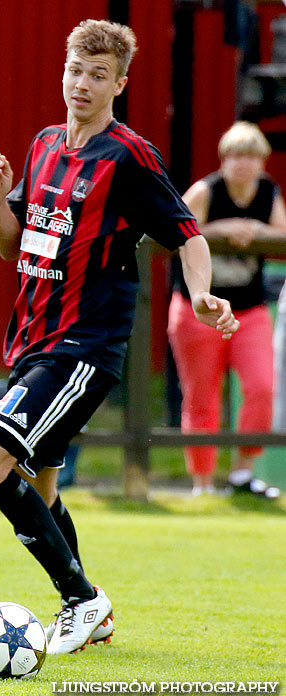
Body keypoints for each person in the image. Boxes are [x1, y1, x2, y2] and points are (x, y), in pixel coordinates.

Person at [0, 19, 239, 656]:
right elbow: (16, 247)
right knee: (40, 490)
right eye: (74, 70)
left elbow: (187, 232)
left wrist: (199, 294)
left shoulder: (129, 156)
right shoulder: (43, 145)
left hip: (83, 348)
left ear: (119, 83)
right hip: (32, 343)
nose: (81, 84)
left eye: (96, 75)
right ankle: (87, 611)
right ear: (63, 72)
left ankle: (83, 601)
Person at [170, 121, 286, 499]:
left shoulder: (268, 192)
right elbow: (176, 229)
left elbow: (281, 236)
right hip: (197, 306)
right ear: (224, 160)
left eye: (252, 156)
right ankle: (202, 483)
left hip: (249, 309)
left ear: (262, 162)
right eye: (237, 155)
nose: (243, 164)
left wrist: (252, 226)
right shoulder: (206, 191)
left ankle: (242, 473)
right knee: (202, 396)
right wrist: (224, 228)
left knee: (261, 387)